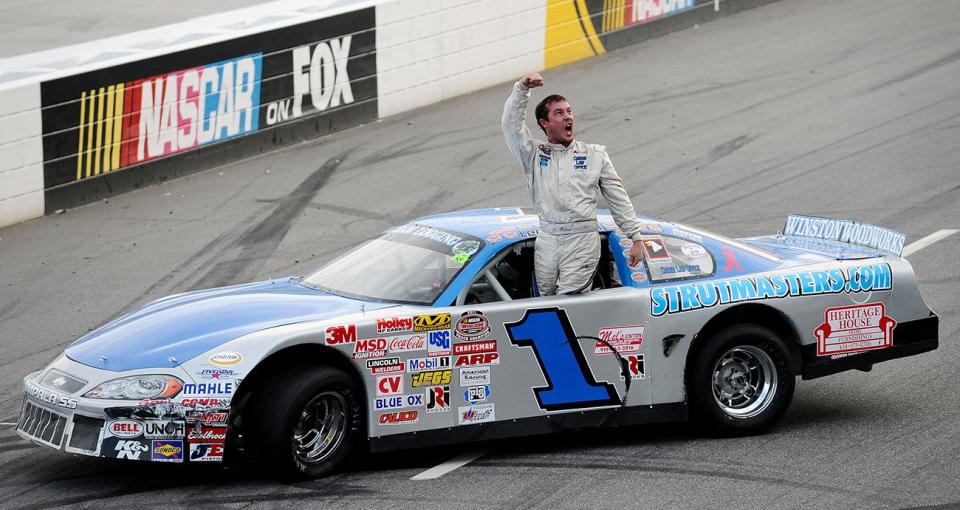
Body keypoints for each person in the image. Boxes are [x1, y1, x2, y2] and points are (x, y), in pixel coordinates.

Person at [501, 72, 646, 295]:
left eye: (569, 111)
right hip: (547, 240)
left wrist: (635, 236)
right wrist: (522, 90)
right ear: (544, 123)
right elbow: (511, 126)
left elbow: (618, 197)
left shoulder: (595, 155)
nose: (568, 117)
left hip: (582, 241)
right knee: (545, 302)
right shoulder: (533, 155)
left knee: (567, 302)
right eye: (559, 113)